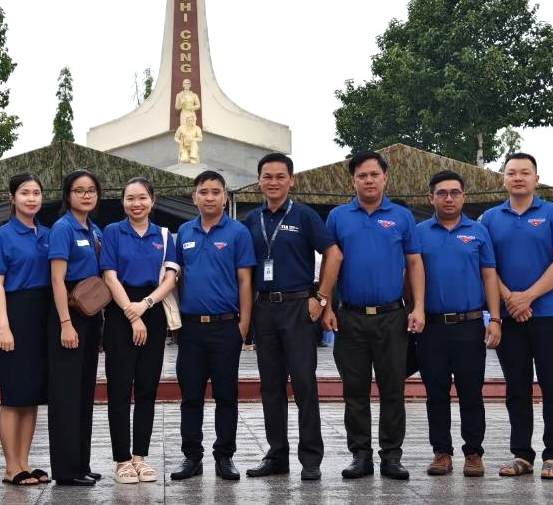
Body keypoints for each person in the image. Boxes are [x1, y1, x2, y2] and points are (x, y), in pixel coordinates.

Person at [318, 151, 425, 481]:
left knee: (393, 389)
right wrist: (326, 306)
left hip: (392, 317)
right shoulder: (337, 216)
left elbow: (415, 263)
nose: (368, 180)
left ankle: (391, 456)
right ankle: (360, 455)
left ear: (385, 177)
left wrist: (418, 306)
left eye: (374, 174)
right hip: (349, 317)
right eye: (362, 175)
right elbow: (329, 264)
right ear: (353, 180)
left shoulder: (402, 217)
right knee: (355, 390)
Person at [242, 153, 337, 481]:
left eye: (280, 176)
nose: (273, 182)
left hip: (299, 307)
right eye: (267, 176)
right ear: (259, 181)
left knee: (304, 384)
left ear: (291, 180)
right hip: (264, 309)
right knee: (270, 386)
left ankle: (310, 458)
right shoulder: (250, 220)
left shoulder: (305, 216)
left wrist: (321, 298)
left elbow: (333, 253)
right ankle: (277, 455)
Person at [479, 153, 553, 481]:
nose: (518, 177)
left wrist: (528, 296)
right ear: (503, 179)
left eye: (525, 172)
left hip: (547, 313)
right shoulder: (489, 219)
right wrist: (508, 299)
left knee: (552, 385)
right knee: (516, 387)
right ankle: (522, 454)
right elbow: (486, 267)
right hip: (507, 314)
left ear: (536, 178)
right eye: (511, 172)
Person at [416, 170, 502, 478]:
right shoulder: (419, 232)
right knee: (435, 392)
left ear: (463, 197)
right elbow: (410, 275)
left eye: (454, 192)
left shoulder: (478, 232)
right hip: (432, 327)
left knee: (471, 392)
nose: (448, 198)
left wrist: (495, 317)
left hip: (469, 325)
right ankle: (441, 452)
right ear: (431, 198)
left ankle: (474, 453)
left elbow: (489, 275)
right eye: (442, 193)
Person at [171, 171, 255, 482]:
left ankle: (225, 456)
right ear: (194, 196)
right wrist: (176, 321)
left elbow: (245, 280)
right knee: (190, 396)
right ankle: (192, 457)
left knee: (225, 395)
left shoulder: (237, 233)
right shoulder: (184, 232)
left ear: (225, 197)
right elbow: (175, 278)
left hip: (225, 327)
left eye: (215, 192)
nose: (209, 197)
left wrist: (244, 323)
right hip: (191, 329)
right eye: (203, 191)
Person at [100, 177, 179, 485]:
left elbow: (170, 279)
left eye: (142, 198)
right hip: (121, 312)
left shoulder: (163, 235)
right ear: (123, 202)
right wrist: (132, 316)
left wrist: (144, 306)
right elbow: (109, 276)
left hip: (153, 308)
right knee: (119, 389)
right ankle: (121, 460)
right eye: (130, 198)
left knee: (147, 388)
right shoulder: (112, 232)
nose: (136, 203)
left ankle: (140, 458)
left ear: (152, 200)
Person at [0, 172, 51, 487]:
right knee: (13, 396)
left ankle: (24, 461)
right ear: (12, 198)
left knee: (32, 396)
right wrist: (4, 326)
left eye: (36, 193)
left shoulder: (48, 233)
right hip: (15, 313)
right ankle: (11, 466)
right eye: (25, 193)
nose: (31, 198)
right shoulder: (2, 235)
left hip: (44, 318)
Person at [46, 170, 105, 486]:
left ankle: (81, 463)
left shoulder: (94, 229)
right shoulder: (62, 228)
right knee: (66, 395)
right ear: (67, 195)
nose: (86, 195)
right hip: (67, 314)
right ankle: (66, 470)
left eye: (91, 190)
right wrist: (65, 324)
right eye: (79, 190)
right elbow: (57, 279)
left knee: (83, 394)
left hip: (90, 314)